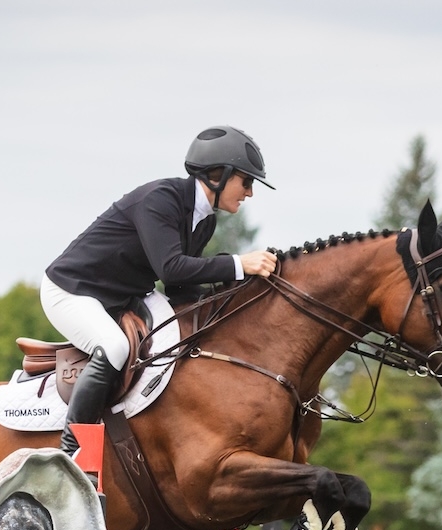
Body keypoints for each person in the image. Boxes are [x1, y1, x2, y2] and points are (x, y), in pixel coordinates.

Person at [43, 126, 279, 454]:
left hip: (125, 296)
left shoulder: (205, 219)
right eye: (247, 182)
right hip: (74, 290)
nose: (250, 193)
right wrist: (239, 264)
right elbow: (172, 268)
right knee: (114, 347)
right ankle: (71, 451)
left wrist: (236, 295)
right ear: (219, 175)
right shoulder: (161, 199)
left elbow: (180, 287)